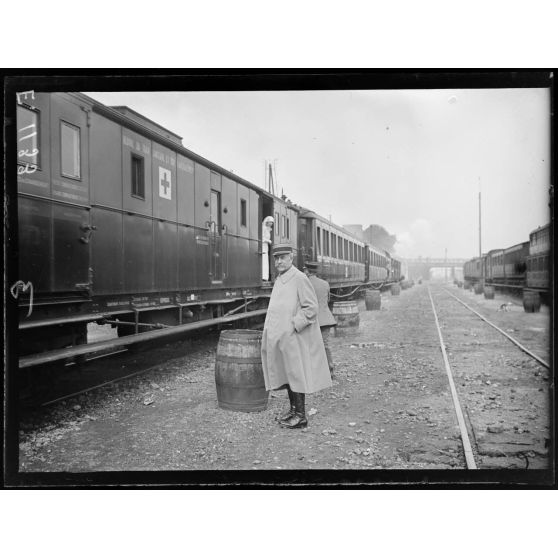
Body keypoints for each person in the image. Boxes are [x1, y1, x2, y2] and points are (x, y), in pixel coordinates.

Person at [261, 243, 332, 428]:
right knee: (287, 374)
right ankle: (293, 411)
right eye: (276, 258)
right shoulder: (280, 279)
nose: (279, 261)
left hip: (293, 338)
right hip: (281, 339)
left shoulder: (299, 278)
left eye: (282, 257)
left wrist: (293, 325)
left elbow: (311, 308)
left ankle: (301, 416)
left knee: (296, 375)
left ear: (291, 257)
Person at [304, 261, 336, 376]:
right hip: (326, 319)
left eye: (305, 270)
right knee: (325, 344)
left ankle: (314, 371)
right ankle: (330, 369)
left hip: (311, 319)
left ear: (307, 271)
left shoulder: (304, 283)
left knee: (310, 345)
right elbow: (327, 301)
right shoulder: (325, 283)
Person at [261, 216, 274, 281]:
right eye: (270, 222)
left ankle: (265, 276)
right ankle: (263, 276)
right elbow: (262, 237)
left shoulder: (268, 229)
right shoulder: (263, 228)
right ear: (267, 222)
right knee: (263, 260)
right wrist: (268, 241)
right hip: (263, 245)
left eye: (272, 222)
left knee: (265, 260)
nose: (271, 224)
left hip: (265, 246)